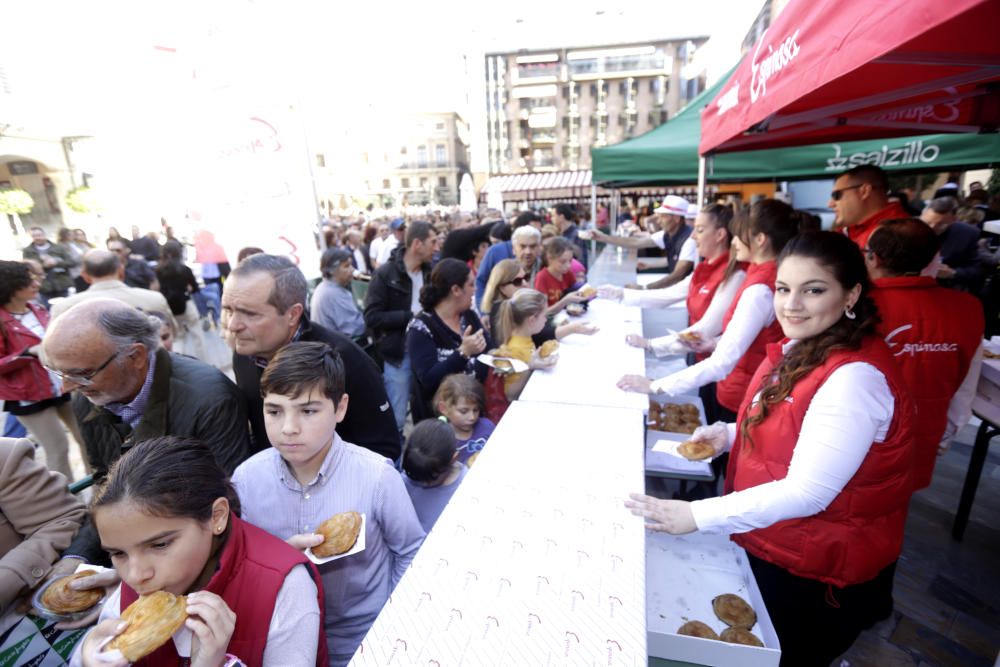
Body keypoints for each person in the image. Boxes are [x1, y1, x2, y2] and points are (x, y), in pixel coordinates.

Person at [627, 231, 917, 666]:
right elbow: (794, 426)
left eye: (813, 290)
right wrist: (729, 433)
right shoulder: (807, 346)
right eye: (783, 289)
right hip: (777, 543)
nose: (791, 304)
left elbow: (809, 492)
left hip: (814, 572)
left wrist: (696, 515)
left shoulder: (854, 378)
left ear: (852, 293)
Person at [231, 342, 423, 667]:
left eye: (308, 411)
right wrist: (277, 558)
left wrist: (393, 621)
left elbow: (410, 552)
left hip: (363, 637)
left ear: (340, 408)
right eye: (274, 411)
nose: (289, 427)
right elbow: (238, 563)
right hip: (281, 641)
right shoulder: (247, 480)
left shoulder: (377, 477)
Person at [72, 436, 326, 667]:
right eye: (118, 554)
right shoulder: (138, 583)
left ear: (217, 516)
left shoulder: (284, 586)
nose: (135, 576)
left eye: (160, 545)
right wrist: (86, 656)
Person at [42, 299, 251, 569]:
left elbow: (226, 509)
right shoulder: (88, 397)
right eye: (58, 373)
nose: (66, 387)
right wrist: (76, 558)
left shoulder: (210, 399)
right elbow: (106, 489)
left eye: (81, 374)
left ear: (137, 356)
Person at [617, 200, 798, 423]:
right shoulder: (761, 277)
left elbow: (722, 362)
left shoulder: (759, 288)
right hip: (745, 386)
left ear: (760, 240)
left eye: (738, 234)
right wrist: (714, 343)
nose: (734, 241)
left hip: (743, 393)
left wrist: (654, 386)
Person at [224, 254, 401, 460]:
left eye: (250, 314)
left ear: (292, 314)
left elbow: (384, 448)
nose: (233, 325)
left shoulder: (346, 360)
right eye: (228, 310)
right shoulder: (244, 355)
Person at [865, 219, 983, 488]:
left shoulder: (856, 304)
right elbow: (966, 384)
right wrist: (949, 432)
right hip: (924, 434)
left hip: (859, 437)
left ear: (874, 258)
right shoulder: (967, 308)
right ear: (933, 258)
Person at [609, 205, 747, 360]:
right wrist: (621, 294)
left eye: (700, 230)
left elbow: (707, 328)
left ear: (720, 234)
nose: (693, 236)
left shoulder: (735, 275)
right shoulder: (704, 268)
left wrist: (651, 344)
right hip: (700, 355)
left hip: (720, 364)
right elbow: (669, 295)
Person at [0, 260, 85, 479]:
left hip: (61, 385)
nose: (36, 283)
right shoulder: (3, 319)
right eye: (28, 280)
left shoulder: (37, 309)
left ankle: (99, 491)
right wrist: (28, 353)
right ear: (10, 286)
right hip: (28, 395)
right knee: (58, 448)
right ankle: (68, 507)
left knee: (87, 438)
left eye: (37, 278)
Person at [363, 221, 438, 432]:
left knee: (429, 411)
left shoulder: (430, 272)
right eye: (433, 242)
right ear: (417, 244)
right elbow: (372, 317)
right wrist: (410, 316)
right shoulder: (385, 274)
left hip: (426, 351)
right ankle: (395, 462)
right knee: (396, 418)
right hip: (399, 353)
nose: (437, 247)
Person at [0, 437, 86, 612]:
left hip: (30, 614)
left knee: (59, 445)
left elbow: (62, 518)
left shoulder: (5, 456)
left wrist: (12, 576)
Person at [406, 258, 490, 422]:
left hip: (474, 415)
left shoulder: (469, 316)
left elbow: (489, 349)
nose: (475, 290)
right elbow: (429, 380)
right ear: (456, 290)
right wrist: (463, 353)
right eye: (471, 284)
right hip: (440, 425)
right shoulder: (421, 327)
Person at [590, 195, 695, 289]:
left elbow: (677, 275)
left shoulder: (690, 240)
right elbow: (635, 242)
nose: (659, 221)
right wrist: (603, 237)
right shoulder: (666, 234)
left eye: (663, 217)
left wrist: (644, 288)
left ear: (676, 218)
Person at [480, 259, 596, 341]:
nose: (525, 284)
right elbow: (538, 335)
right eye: (517, 281)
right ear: (502, 288)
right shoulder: (500, 310)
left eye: (525, 278)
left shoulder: (516, 303)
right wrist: (571, 329)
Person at [49, 250, 174, 323]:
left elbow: (50, 355)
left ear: (85, 276)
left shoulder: (63, 309)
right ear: (121, 271)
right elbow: (170, 333)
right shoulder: (154, 299)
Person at [490, 289, 557, 405]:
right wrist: (529, 366)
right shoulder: (514, 349)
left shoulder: (525, 338)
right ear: (531, 320)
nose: (546, 320)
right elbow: (510, 394)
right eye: (544, 316)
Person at [401, 418, 469, 533]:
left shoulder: (466, 485)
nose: (424, 483)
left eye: (432, 477)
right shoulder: (403, 480)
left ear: (454, 459)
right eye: (416, 477)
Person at [828, 164, 909, 249]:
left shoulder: (896, 234)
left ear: (864, 191)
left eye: (836, 195)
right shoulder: (850, 228)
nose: (830, 204)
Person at [474, 211, 542, 306]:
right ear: (513, 248)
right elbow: (481, 281)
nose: (528, 251)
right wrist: (483, 312)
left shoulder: (544, 261)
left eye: (533, 246)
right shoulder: (495, 252)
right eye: (522, 246)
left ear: (539, 247)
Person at [921, 196, 987, 291]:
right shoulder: (906, 229)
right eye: (927, 223)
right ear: (922, 215)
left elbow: (977, 271)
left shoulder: (967, 234)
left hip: (946, 289)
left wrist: (952, 273)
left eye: (941, 224)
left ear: (954, 220)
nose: (932, 228)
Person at [433, 373, 495, 465]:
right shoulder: (441, 442)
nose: (472, 417)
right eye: (463, 411)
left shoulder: (487, 427)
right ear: (444, 408)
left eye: (476, 410)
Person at [311, 248, 366, 339]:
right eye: (346, 266)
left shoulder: (325, 288)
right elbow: (356, 328)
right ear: (332, 270)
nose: (352, 270)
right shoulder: (333, 294)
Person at [22, 227, 77, 306]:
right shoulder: (28, 251)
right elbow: (27, 268)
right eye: (34, 236)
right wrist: (42, 265)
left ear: (44, 235)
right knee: (49, 310)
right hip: (44, 287)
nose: (37, 238)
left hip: (62, 283)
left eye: (39, 235)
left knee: (68, 307)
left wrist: (56, 263)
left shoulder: (58, 247)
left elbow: (71, 262)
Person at [534, 237, 579, 306]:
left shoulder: (568, 273)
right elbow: (544, 312)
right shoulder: (542, 278)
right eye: (563, 262)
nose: (568, 266)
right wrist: (565, 301)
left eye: (570, 261)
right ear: (549, 258)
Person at [551, 203, 588, 268]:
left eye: (553, 216)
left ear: (561, 217)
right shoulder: (558, 234)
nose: (551, 219)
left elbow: (582, 263)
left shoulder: (577, 234)